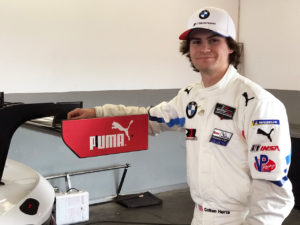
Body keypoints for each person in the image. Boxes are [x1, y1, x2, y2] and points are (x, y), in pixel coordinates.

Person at [68, 7, 294, 225]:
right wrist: (98, 113)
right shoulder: (190, 96)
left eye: (214, 40)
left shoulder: (258, 103)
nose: (204, 48)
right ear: (189, 49)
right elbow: (149, 118)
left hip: (239, 217)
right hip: (200, 214)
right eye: (197, 42)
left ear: (231, 47)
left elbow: (273, 189)